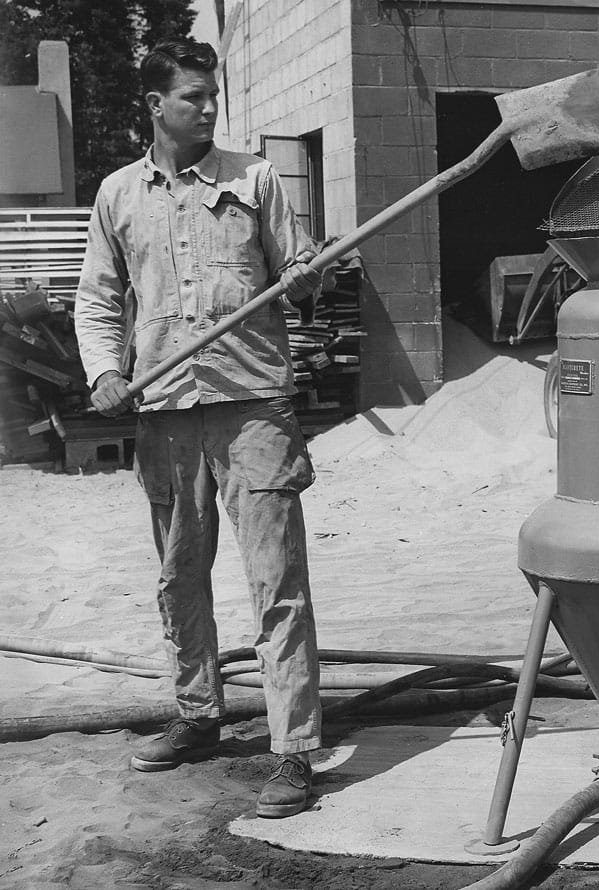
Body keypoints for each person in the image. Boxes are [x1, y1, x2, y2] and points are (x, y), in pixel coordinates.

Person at [75, 37, 324, 819]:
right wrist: (105, 372)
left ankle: (292, 752)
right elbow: (97, 300)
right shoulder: (118, 194)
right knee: (180, 576)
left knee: (276, 581)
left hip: (253, 405)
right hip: (165, 411)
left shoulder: (253, 178)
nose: (210, 107)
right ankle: (197, 713)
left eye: (212, 96)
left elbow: (301, 272)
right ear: (154, 106)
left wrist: (304, 275)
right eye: (193, 97)